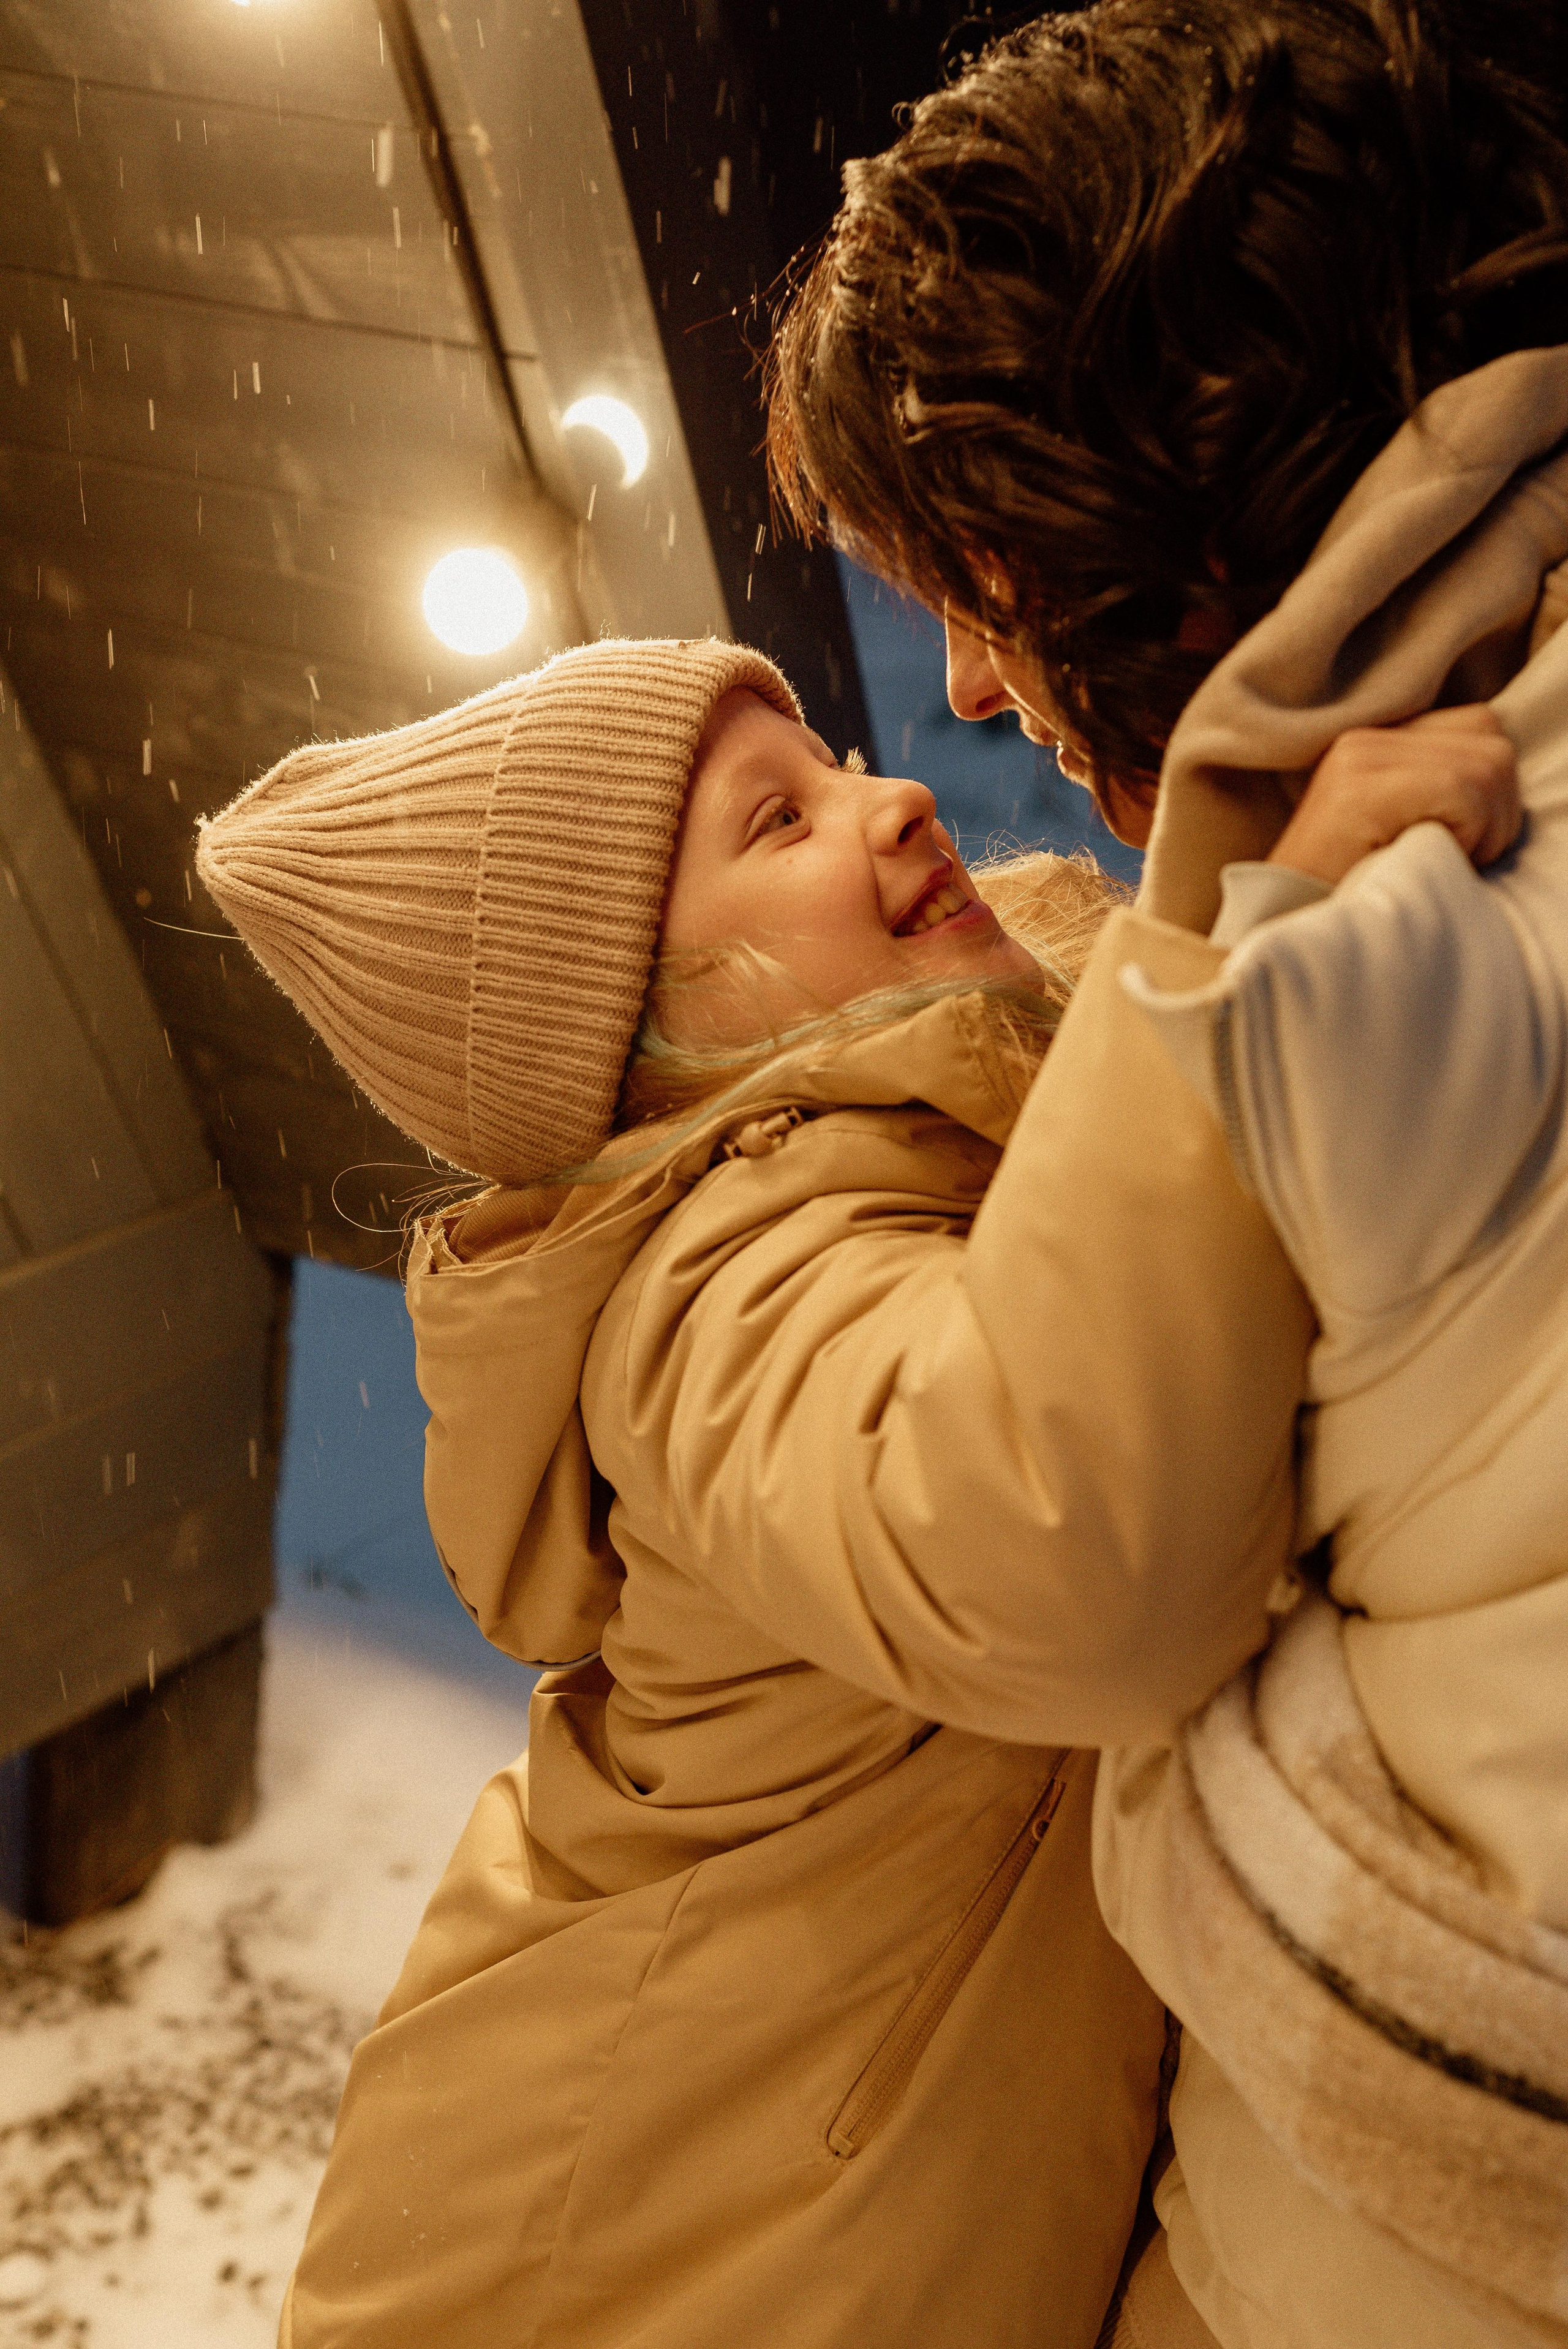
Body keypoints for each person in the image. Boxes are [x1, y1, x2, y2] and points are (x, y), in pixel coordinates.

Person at [193, 629, 1506, 2348]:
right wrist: (1234, 969)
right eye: (777, 823)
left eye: (828, 759)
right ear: (645, 1039)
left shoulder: (971, 1109)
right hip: (624, 2267)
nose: (885, 800)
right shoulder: (720, 1295)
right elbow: (1065, 1562)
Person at [765, 2, 1568, 2343]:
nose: (966, 705)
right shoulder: (731, 1247)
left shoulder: (1413, 903)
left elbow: (1092, 1586)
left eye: (977, 572)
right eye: (765, 822)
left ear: (1170, 453)